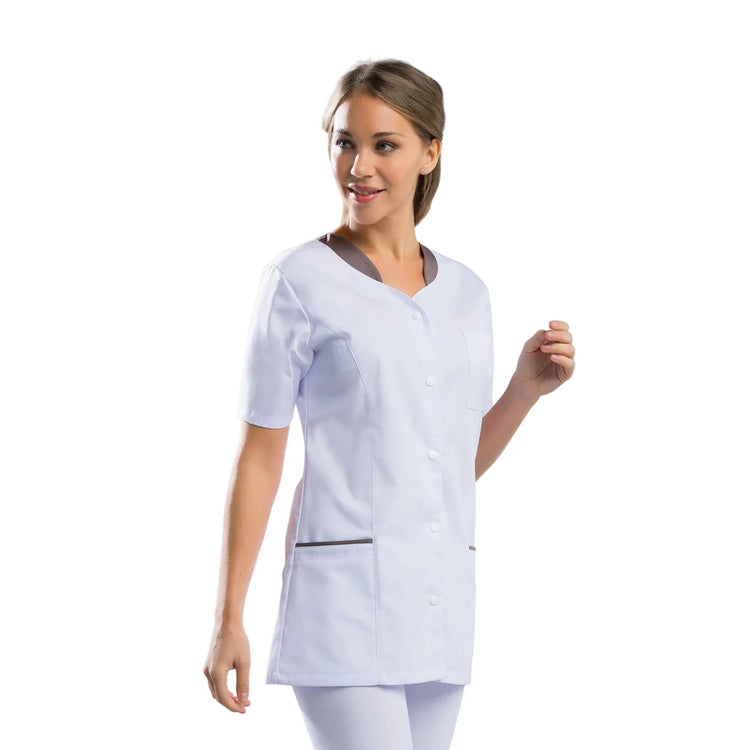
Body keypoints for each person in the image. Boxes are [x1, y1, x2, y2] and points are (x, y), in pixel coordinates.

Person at [203, 58, 576, 750]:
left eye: (385, 145)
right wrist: (229, 617)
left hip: (439, 606)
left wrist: (524, 392)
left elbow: (450, 465)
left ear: (431, 153)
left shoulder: (467, 294)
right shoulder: (297, 280)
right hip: (343, 610)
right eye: (345, 142)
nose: (359, 167)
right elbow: (260, 457)